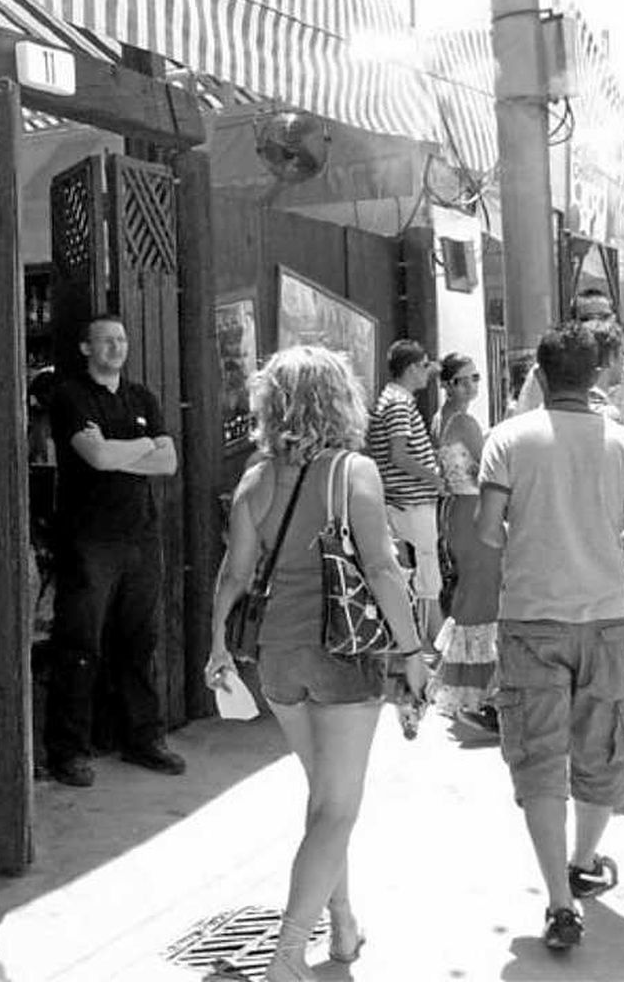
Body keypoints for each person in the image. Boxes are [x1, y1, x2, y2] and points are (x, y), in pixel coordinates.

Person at [205, 345, 426, 982]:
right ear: (339, 400)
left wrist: (219, 644)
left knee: (324, 798)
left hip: (277, 656)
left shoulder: (254, 477)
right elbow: (382, 569)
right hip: (342, 651)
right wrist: (412, 652)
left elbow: (235, 574)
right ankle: (288, 952)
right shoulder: (353, 471)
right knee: (336, 807)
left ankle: (344, 925)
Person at [476, 322, 624, 954]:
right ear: (599, 376)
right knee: (604, 748)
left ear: (540, 376)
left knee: (538, 759)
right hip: (607, 619)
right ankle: (584, 859)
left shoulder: (507, 440)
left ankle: (558, 898)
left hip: (530, 619)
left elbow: (488, 531)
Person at [43, 314, 183, 788]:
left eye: (121, 340)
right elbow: (96, 457)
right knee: (80, 646)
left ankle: (142, 739)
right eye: (105, 341)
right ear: (86, 348)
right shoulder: (70, 396)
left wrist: (126, 449)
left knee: (138, 642)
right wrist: (142, 444)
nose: (115, 348)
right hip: (89, 539)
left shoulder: (141, 396)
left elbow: (168, 462)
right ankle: (67, 751)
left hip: (140, 536)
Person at [429, 353, 500, 732]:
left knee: (473, 598)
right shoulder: (465, 421)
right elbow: (484, 470)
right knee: (482, 600)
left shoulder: (442, 418)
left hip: (457, 511)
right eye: (466, 378)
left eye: (476, 377)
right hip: (473, 511)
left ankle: (471, 691)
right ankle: (478, 695)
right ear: (451, 384)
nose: (474, 384)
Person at [366, 339, 444, 648]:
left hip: (401, 501)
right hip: (410, 504)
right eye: (425, 365)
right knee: (426, 576)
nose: (428, 373)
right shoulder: (399, 404)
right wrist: (434, 476)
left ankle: (430, 642)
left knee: (419, 574)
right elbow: (399, 454)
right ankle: (434, 643)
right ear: (411, 368)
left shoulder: (392, 399)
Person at [514, 288, 624, 427]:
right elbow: (522, 422)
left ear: (614, 319)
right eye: (587, 318)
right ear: (574, 323)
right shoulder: (549, 370)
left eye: (604, 317)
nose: (597, 323)